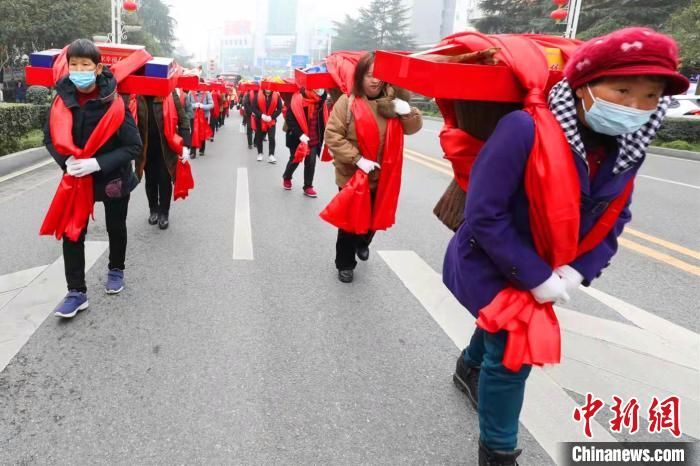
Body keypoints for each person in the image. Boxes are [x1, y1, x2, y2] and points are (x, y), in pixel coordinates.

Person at [441, 29, 688, 465]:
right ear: (584, 87)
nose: (634, 107)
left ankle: (467, 366)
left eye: (650, 96)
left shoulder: (628, 148)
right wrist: (534, 276)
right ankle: (498, 452)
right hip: (494, 258)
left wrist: (577, 271)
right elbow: (485, 213)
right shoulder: (523, 128)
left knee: (498, 331)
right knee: (513, 355)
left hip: (553, 265)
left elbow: (616, 216)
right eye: (622, 89)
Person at [43, 39, 142, 318]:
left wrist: (96, 163)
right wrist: (68, 161)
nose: (78, 70)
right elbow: (49, 137)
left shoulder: (114, 102)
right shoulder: (61, 100)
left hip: (112, 177)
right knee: (72, 232)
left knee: (115, 226)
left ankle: (116, 269)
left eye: (84, 65)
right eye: (73, 64)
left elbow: (134, 146)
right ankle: (76, 291)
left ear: (98, 68)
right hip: (76, 178)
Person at [324, 52, 423, 283]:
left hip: (383, 175)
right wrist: (357, 159)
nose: (374, 80)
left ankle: (364, 241)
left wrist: (407, 111)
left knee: (373, 219)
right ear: (360, 78)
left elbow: (413, 128)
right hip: (352, 175)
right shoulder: (346, 102)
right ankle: (345, 263)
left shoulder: (393, 105)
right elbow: (333, 135)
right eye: (369, 75)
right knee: (348, 223)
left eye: (378, 76)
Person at [135, 90, 191, 230]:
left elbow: (183, 118)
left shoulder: (170, 94)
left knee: (164, 181)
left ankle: (164, 213)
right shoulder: (136, 95)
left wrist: (185, 145)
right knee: (151, 181)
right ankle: (153, 209)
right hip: (146, 148)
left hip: (166, 148)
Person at [282, 87, 328, 197]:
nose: (320, 89)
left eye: (322, 86)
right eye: (317, 86)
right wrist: (301, 135)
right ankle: (287, 177)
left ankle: (308, 186)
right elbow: (289, 118)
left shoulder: (322, 99)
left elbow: (323, 118)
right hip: (297, 136)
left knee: (311, 162)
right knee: (295, 159)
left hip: (313, 136)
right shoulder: (298, 97)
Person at [252, 88, 283, 163]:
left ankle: (271, 154)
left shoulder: (277, 96)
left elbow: (279, 109)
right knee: (259, 137)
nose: (268, 91)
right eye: (266, 89)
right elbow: (254, 108)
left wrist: (271, 117)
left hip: (271, 121)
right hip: (260, 120)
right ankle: (260, 153)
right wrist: (261, 115)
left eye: (269, 89)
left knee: (272, 138)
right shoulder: (257, 95)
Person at [187, 85, 213, 156]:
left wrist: (203, 106)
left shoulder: (207, 93)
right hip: (193, 116)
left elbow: (211, 105)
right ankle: (193, 151)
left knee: (202, 132)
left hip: (203, 116)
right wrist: (194, 105)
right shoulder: (190, 92)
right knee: (193, 132)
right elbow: (187, 104)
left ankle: (202, 149)